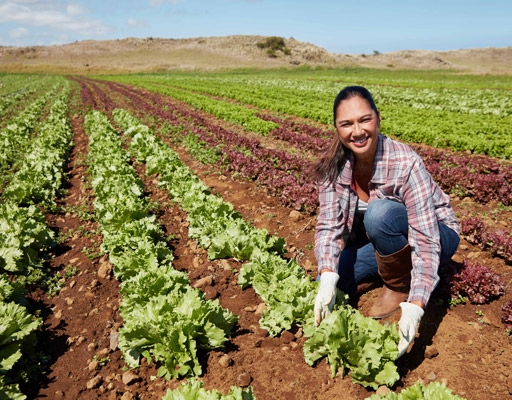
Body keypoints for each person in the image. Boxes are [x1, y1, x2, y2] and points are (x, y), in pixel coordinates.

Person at [313, 86, 460, 357]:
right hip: (381, 235)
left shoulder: (405, 162)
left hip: (437, 233)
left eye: (364, 120)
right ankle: (382, 269)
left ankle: (397, 285)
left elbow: (425, 239)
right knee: (340, 278)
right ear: (336, 127)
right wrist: (326, 277)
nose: (357, 131)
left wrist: (416, 305)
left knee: (379, 213)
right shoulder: (333, 166)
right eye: (346, 124)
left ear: (378, 118)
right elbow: (328, 226)